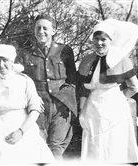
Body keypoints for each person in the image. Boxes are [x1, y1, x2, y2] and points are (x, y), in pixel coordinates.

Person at [0, 44, 55, 163]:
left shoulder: (24, 80)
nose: (1, 65)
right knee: (0, 154)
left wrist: (21, 132)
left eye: (5, 60)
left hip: (24, 124)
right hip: (1, 126)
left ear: (12, 61)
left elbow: (35, 109)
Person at [16, 14, 78, 160]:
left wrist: (68, 100)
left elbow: (72, 78)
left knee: (56, 147)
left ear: (53, 31)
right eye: (38, 28)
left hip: (61, 106)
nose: (41, 31)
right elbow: (22, 81)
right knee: (39, 145)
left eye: (45, 28)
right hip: (39, 107)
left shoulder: (65, 50)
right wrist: (33, 99)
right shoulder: (26, 54)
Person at [78, 18, 138, 163]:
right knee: (93, 144)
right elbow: (83, 89)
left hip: (115, 108)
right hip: (92, 107)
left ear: (110, 40)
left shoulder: (121, 60)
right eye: (96, 39)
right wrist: (82, 110)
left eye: (103, 39)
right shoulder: (86, 60)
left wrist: (118, 98)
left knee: (113, 144)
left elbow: (134, 86)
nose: (99, 43)